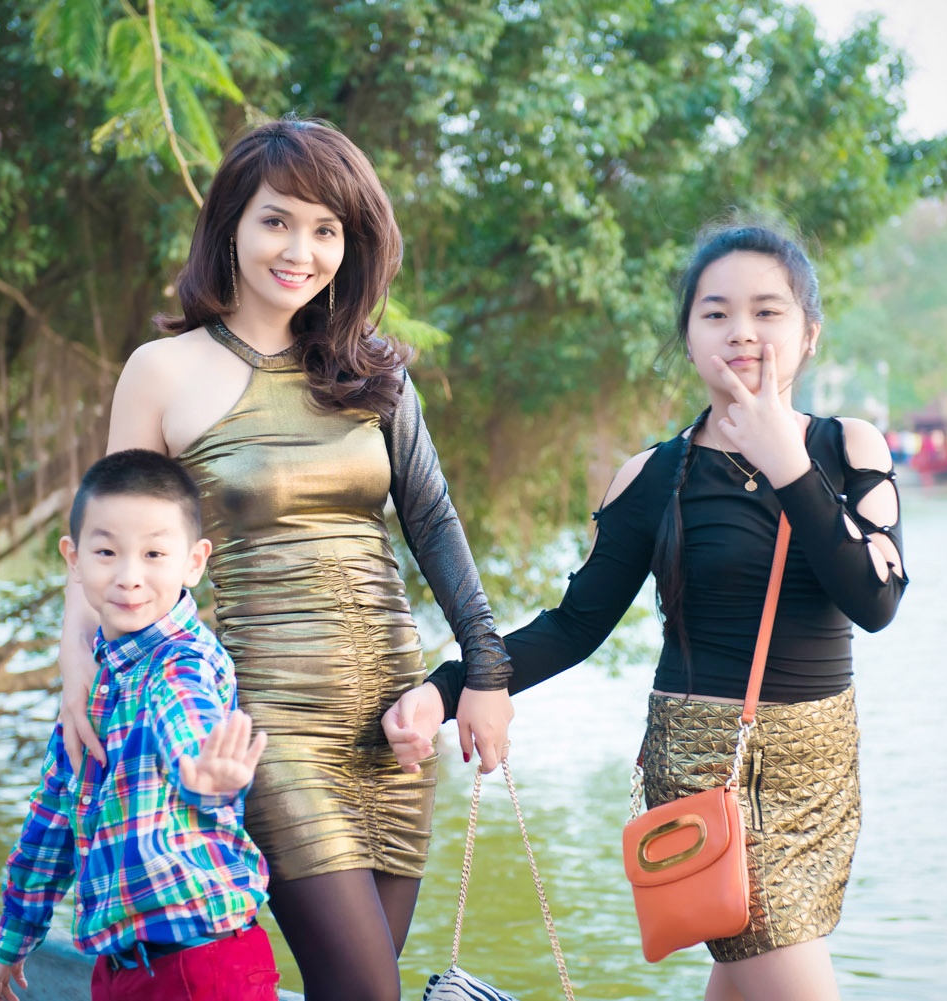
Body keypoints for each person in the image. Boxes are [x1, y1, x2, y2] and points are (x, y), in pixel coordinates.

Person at [386, 223, 908, 1001]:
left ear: (809, 333)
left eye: (767, 311)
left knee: (747, 978)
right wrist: (447, 687)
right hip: (704, 769)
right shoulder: (655, 476)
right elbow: (572, 627)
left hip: (819, 774)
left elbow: (876, 600)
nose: (742, 331)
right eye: (716, 313)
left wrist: (787, 461)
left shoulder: (849, 448)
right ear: (688, 337)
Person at [55, 117, 513, 1001]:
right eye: (277, 220)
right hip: (267, 722)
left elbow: (433, 522)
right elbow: (111, 543)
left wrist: (485, 675)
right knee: (370, 990)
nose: (300, 250)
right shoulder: (162, 370)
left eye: (325, 229)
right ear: (231, 222)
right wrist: (78, 663)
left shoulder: (375, 372)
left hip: (394, 721)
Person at [0, 449, 274, 1001]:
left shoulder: (181, 661)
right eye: (107, 552)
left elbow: (187, 717)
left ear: (194, 562)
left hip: (202, 965)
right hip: (119, 967)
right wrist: (13, 936)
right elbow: (53, 820)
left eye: (154, 553)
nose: (129, 577)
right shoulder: (91, 684)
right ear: (74, 559)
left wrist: (203, 775)